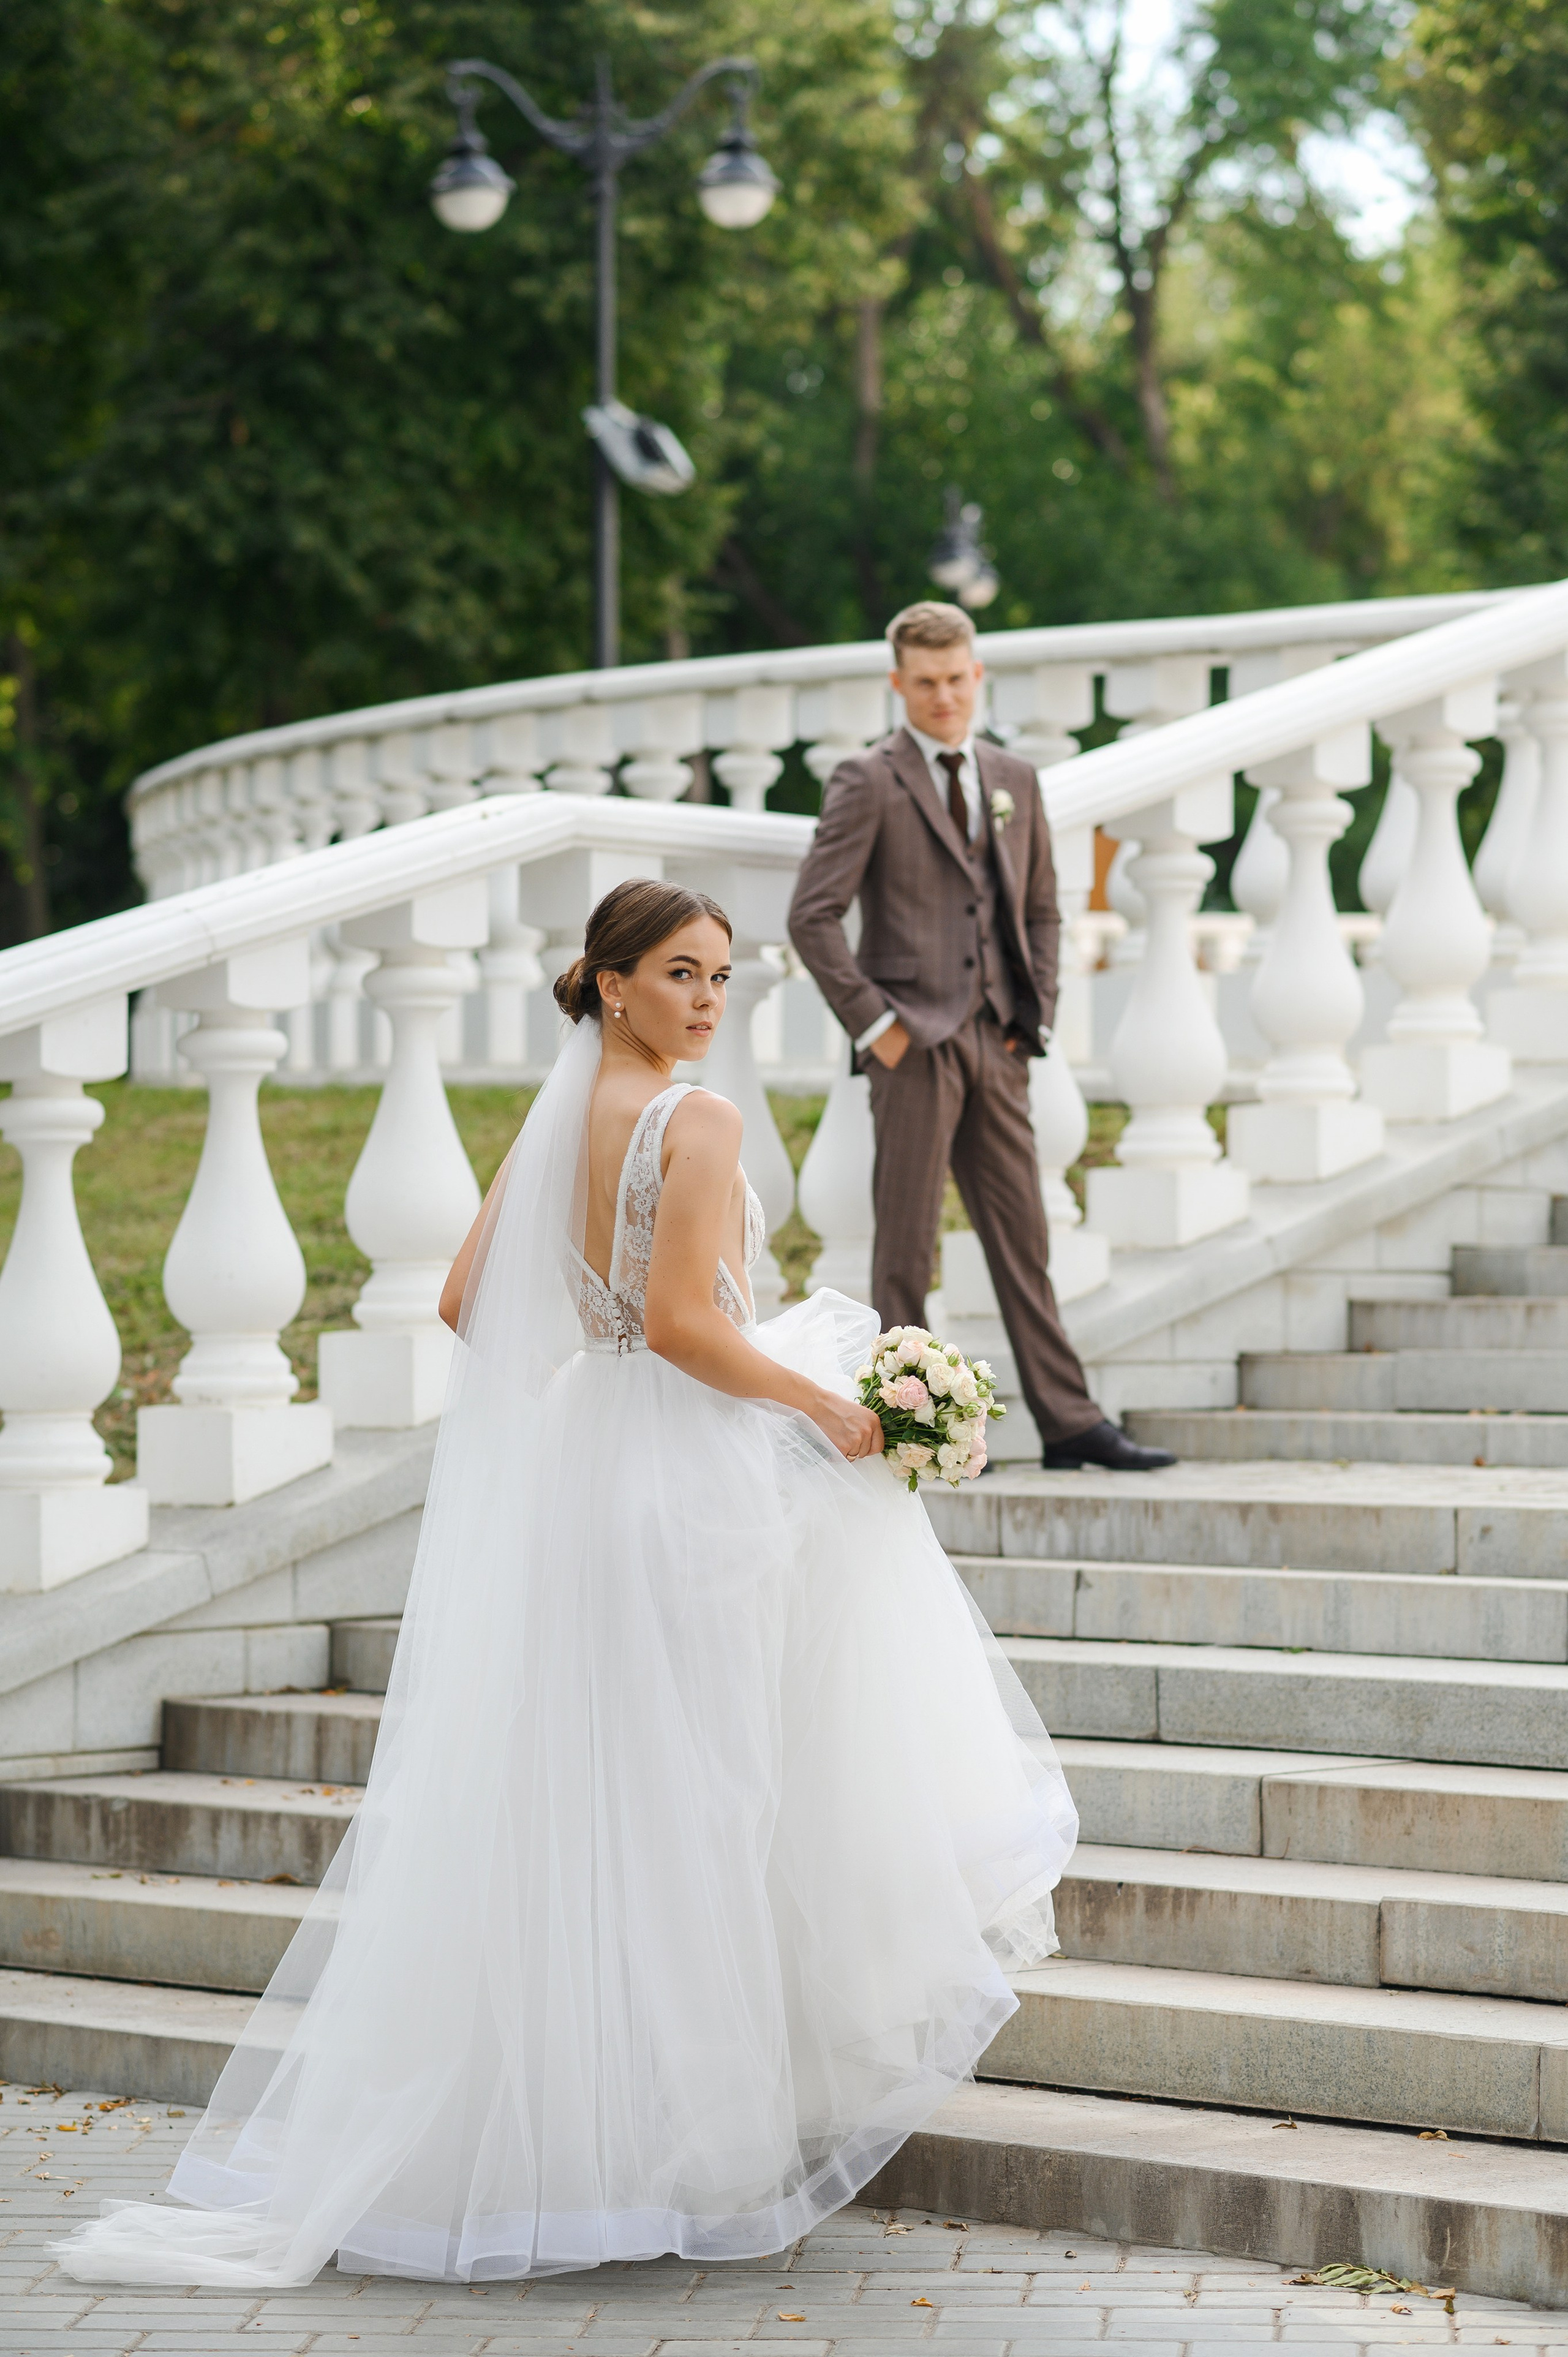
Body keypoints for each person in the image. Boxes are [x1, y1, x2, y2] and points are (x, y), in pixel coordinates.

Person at [56, 878, 1078, 2290]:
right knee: (699, 1801)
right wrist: (822, 1404)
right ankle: (667, 2149)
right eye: (678, 974)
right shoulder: (697, 1120)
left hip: (594, 1471)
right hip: (693, 1486)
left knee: (603, 1800)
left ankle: (578, 2142)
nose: (708, 1001)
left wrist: (584, 1408)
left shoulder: (555, 1119)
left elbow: (469, 1301)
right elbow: (675, 1326)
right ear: (610, 983)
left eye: (722, 976)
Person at [789, 599, 1175, 1473]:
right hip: (913, 1046)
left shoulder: (1014, 778)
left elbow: (1040, 909)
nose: (944, 697)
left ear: (978, 675)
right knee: (905, 1250)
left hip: (997, 1039)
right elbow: (812, 917)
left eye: (958, 679)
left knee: (1023, 1239)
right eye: (925, 683)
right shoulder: (868, 781)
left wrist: (1029, 1019)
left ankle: (1070, 1422)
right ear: (898, 684)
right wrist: (878, 1027)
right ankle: (913, 1429)